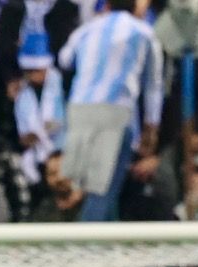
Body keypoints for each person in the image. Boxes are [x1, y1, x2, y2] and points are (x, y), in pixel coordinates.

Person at [58, 0, 162, 221]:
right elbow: (153, 86)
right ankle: (84, 249)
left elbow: (65, 60)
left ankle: (106, 248)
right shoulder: (143, 32)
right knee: (102, 191)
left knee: (86, 186)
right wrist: (151, 126)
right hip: (114, 113)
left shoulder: (87, 29)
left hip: (79, 111)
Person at [11, 32, 65, 190]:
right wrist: (28, 137)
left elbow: (66, 122)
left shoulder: (62, 85)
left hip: (63, 154)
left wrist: (40, 132)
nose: (32, 75)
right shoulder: (22, 93)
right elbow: (23, 135)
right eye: (29, 70)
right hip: (36, 158)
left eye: (37, 70)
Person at [29, 151, 84, 221]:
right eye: (52, 174)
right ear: (46, 179)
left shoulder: (94, 204)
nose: (60, 178)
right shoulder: (43, 212)